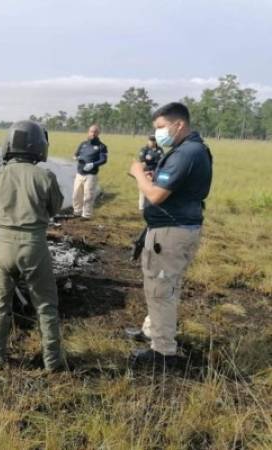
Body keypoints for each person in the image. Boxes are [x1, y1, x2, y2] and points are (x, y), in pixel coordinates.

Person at [0, 120, 65, 372]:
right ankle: (53, 360)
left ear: (8, 145)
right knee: (46, 304)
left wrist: (3, 224)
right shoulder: (45, 176)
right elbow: (55, 208)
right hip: (35, 245)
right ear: (39, 146)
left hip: (3, 246)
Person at [128, 102, 213, 368]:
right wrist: (155, 177)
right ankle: (153, 331)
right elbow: (170, 186)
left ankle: (163, 352)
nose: (159, 133)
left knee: (161, 289)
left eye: (161, 127)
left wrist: (139, 173)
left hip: (171, 232)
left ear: (179, 124)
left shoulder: (186, 153)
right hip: (176, 227)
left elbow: (154, 195)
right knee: (163, 285)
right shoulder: (190, 150)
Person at [72, 124, 108, 219]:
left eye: (95, 132)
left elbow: (103, 160)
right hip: (79, 173)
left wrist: (93, 164)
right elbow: (75, 154)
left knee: (88, 195)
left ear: (98, 133)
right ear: (88, 132)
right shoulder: (83, 144)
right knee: (76, 193)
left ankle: (86, 215)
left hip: (91, 174)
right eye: (91, 131)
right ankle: (77, 211)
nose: (93, 134)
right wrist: (76, 157)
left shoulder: (101, 146)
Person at [137, 136, 164, 210]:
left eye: (153, 141)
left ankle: (153, 206)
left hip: (156, 172)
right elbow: (143, 162)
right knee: (144, 189)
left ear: (156, 141)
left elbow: (161, 161)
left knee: (155, 189)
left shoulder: (160, 150)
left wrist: (151, 161)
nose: (151, 142)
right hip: (147, 172)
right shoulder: (144, 149)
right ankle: (141, 207)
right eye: (150, 140)